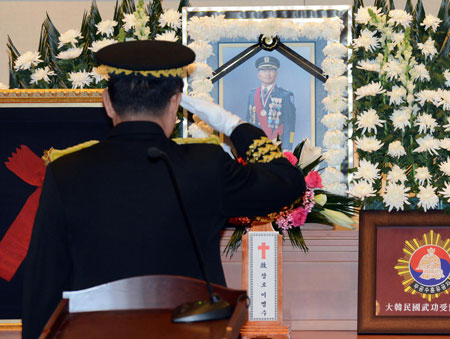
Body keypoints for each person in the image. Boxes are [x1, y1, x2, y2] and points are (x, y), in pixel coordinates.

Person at [21, 41, 306, 339]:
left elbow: (44, 286)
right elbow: (287, 183)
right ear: (175, 103)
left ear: (107, 102)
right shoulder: (206, 166)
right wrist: (234, 126)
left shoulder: (66, 171)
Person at [246, 56, 296, 150]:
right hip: (256, 143)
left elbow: (290, 124)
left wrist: (287, 147)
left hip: (277, 143)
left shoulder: (285, 95)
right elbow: (248, 121)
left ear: (276, 73)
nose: (267, 74)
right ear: (258, 74)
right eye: (264, 70)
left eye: (271, 70)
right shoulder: (252, 94)